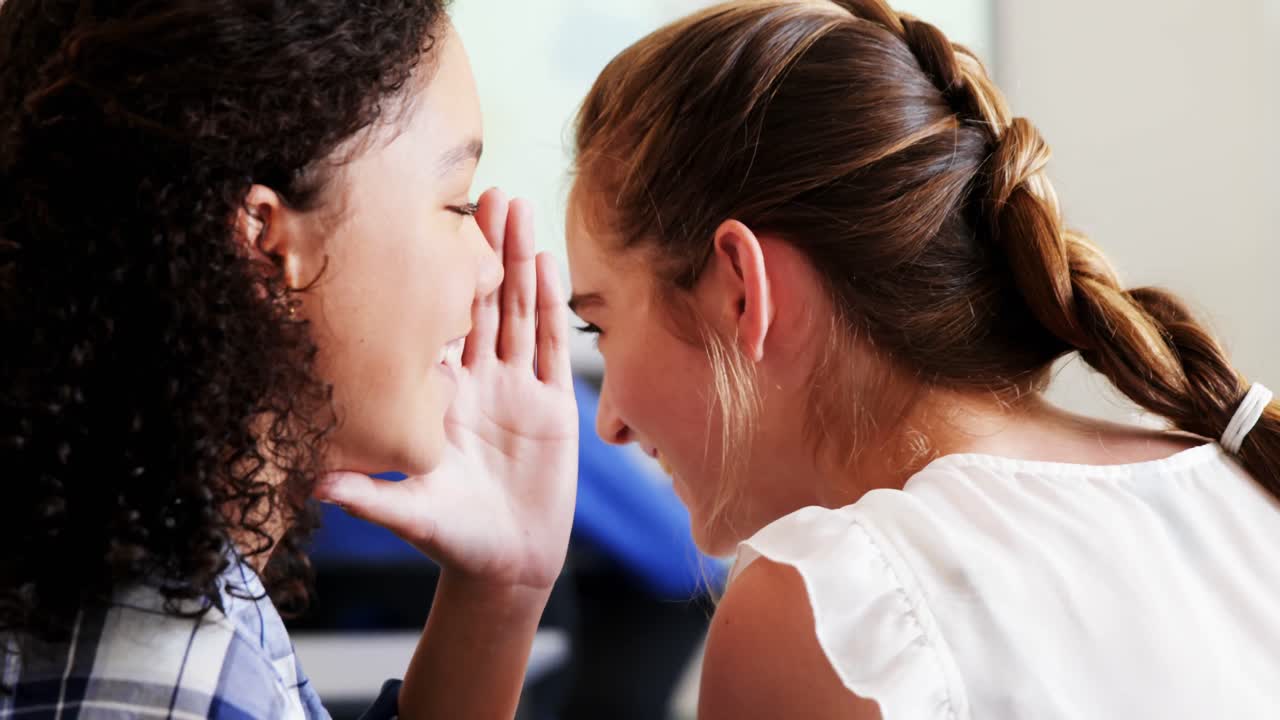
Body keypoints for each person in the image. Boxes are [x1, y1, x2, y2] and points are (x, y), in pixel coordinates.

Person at [564, 1, 1280, 718]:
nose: (611, 424)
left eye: (599, 324)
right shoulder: (1241, 485)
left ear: (742, 293)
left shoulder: (835, 611)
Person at [0, 2, 576, 718]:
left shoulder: (133, 597)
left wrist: (501, 592)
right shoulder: (187, 688)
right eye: (456, 205)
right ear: (268, 244)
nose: (490, 267)